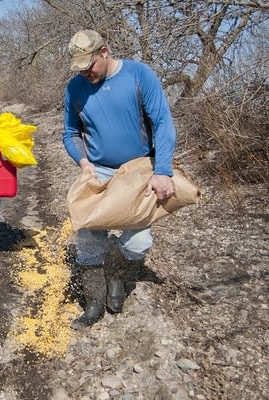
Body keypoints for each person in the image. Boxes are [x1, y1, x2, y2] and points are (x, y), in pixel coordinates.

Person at [62, 30, 177, 327]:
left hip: (138, 170)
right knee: (88, 236)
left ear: (104, 51)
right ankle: (94, 303)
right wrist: (83, 161)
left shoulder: (139, 75)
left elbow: (163, 122)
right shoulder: (75, 88)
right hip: (98, 171)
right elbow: (70, 133)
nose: (86, 71)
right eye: (79, 67)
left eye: (90, 64)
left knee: (138, 242)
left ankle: (118, 277)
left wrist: (162, 170)